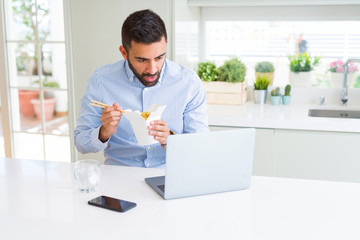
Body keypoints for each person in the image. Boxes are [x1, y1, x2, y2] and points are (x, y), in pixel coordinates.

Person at [74, 9, 209, 168]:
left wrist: (171, 139)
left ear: (165, 45)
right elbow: (80, 143)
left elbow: (201, 145)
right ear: (124, 52)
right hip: (120, 175)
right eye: (142, 60)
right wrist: (103, 132)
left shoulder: (188, 82)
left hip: (170, 173)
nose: (152, 69)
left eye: (159, 57)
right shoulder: (100, 81)